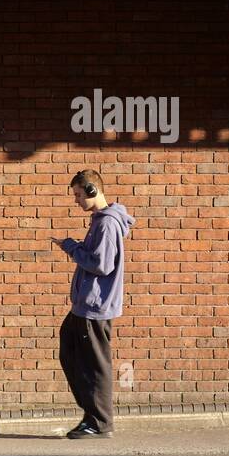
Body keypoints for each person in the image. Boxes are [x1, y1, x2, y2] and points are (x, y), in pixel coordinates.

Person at [51, 170, 135, 439]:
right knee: (71, 354)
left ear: (91, 190)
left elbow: (101, 264)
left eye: (78, 195)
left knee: (95, 365)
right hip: (84, 306)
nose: (76, 200)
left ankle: (100, 423)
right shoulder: (100, 221)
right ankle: (92, 414)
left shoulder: (107, 224)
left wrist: (71, 247)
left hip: (94, 307)